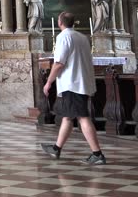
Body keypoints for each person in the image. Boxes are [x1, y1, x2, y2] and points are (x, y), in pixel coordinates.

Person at [40, 11, 106, 164]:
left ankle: (97, 154)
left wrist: (49, 82)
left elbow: (59, 63)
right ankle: (56, 149)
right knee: (68, 117)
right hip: (82, 82)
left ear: (60, 23)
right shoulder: (82, 37)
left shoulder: (63, 37)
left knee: (82, 117)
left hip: (72, 83)